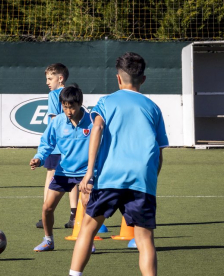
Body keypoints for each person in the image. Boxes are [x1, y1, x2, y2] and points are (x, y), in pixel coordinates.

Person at [69, 52, 169, 276]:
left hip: (110, 176)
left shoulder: (106, 102)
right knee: (144, 239)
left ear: (118, 78)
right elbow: (159, 152)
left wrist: (88, 173)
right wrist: (151, 180)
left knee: (87, 229)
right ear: (143, 79)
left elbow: (96, 128)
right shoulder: (153, 108)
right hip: (142, 179)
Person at [30, 85, 94, 252]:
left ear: (80, 104)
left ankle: (88, 242)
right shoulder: (57, 122)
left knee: (87, 207)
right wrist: (39, 158)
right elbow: (47, 143)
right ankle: (48, 240)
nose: (68, 111)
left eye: (71, 106)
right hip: (63, 172)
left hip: (86, 173)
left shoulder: (93, 122)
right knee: (47, 208)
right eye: (65, 107)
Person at [35, 63, 79, 229]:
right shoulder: (73, 95)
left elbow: (55, 121)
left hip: (56, 146)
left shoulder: (54, 95)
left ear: (60, 78)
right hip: (71, 145)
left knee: (50, 176)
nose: (47, 82)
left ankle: (45, 214)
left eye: (50, 78)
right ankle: (75, 216)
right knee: (74, 179)